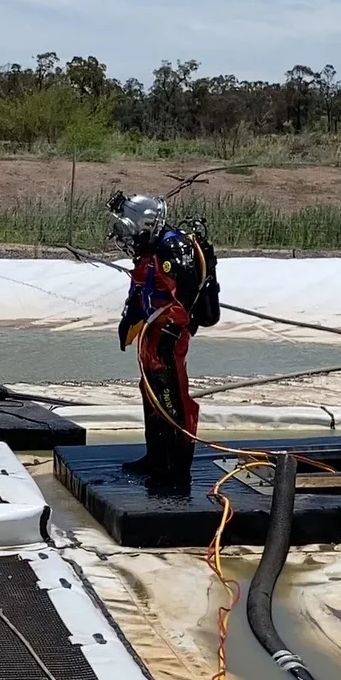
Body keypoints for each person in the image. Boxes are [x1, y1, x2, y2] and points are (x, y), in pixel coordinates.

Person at [108, 192, 220, 489]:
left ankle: (177, 468)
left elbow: (185, 294)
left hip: (169, 333)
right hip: (152, 330)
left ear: (145, 224)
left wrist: (171, 332)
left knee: (172, 395)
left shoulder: (173, 247)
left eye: (130, 231)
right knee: (151, 389)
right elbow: (142, 287)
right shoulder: (151, 248)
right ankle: (156, 457)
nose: (127, 238)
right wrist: (129, 321)